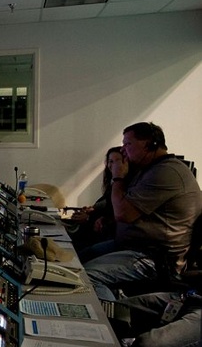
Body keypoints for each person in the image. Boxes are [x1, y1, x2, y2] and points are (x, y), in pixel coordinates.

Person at [84, 122, 202, 301]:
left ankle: (110, 324)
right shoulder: (150, 169)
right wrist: (109, 220)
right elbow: (127, 208)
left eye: (128, 144)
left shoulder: (167, 172)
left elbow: (124, 214)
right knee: (75, 260)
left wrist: (117, 176)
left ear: (150, 144)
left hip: (155, 258)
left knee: (86, 277)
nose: (123, 150)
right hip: (133, 247)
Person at [68, 146, 123, 257]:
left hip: (109, 237)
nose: (113, 165)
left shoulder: (123, 185)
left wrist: (89, 218)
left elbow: (115, 217)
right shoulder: (112, 185)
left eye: (118, 161)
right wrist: (91, 210)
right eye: (110, 161)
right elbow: (103, 205)